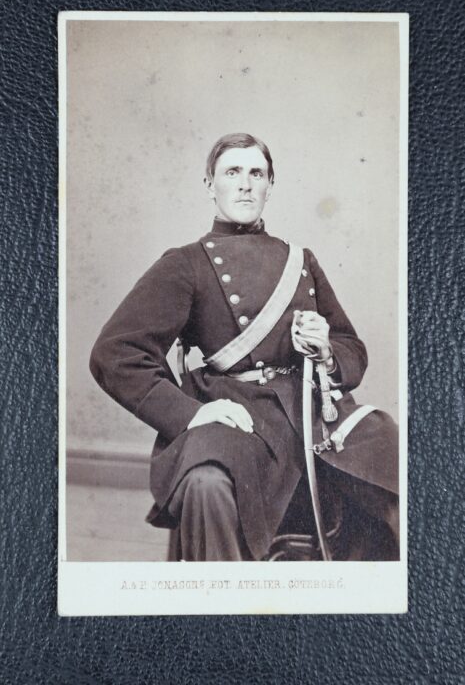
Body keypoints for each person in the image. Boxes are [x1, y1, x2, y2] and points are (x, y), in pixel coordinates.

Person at [90, 132, 399, 562]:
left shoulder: (300, 260)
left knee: (391, 453)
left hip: (309, 415)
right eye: (232, 172)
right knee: (207, 484)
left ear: (271, 185)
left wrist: (326, 351)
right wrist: (190, 413)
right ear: (210, 184)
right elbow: (115, 352)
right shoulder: (185, 263)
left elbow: (352, 349)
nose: (245, 184)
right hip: (237, 416)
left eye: (257, 173)